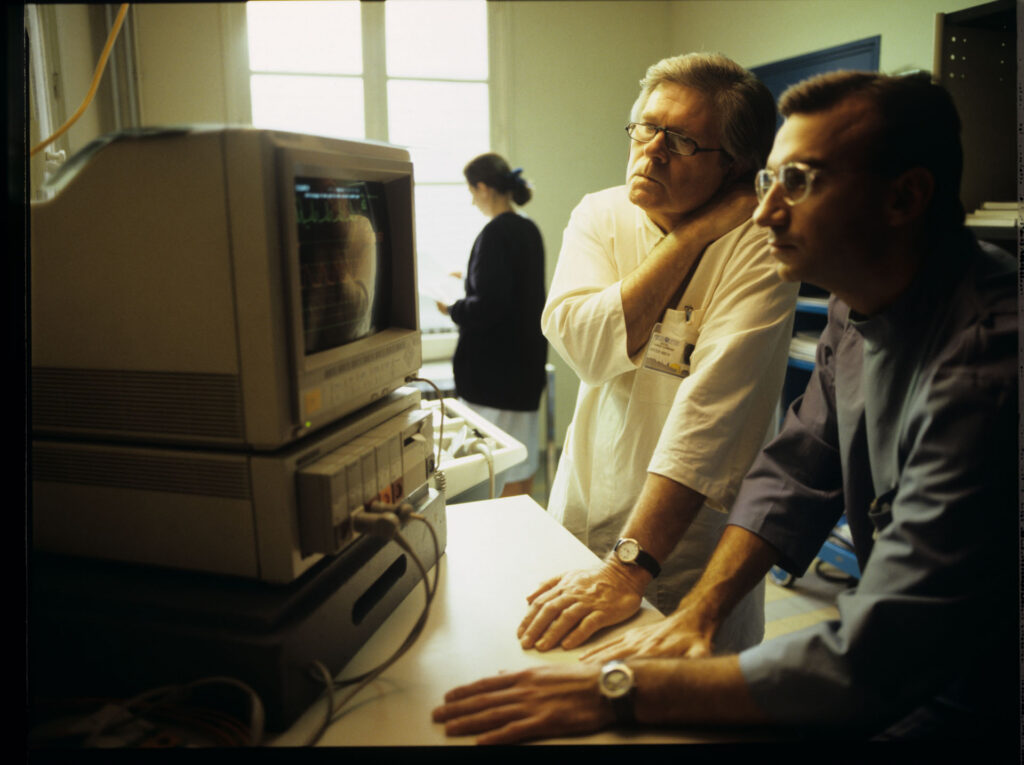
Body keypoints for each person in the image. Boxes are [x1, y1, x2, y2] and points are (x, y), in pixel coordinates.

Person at [432, 70, 1017, 746]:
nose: (765, 212)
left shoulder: (987, 371)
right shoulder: (856, 308)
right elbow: (798, 468)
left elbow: (879, 655)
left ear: (905, 197)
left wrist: (623, 690)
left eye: (797, 181)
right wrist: (698, 612)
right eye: (768, 184)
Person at [517, 53, 797, 654]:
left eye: (682, 141)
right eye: (646, 128)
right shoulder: (602, 211)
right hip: (585, 509)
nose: (651, 153)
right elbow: (586, 348)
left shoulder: (760, 243)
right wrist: (691, 234)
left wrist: (628, 566)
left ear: (736, 167)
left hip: (685, 546)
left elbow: (710, 414)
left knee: (678, 716)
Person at [438, 154, 547, 497]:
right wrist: (469, 278)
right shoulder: (527, 228)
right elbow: (513, 292)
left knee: (489, 471)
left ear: (483, 188)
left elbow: (488, 307)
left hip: (493, 378)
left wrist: (452, 308)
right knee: (521, 465)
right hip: (523, 373)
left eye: (472, 191)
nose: (472, 200)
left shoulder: (495, 233)